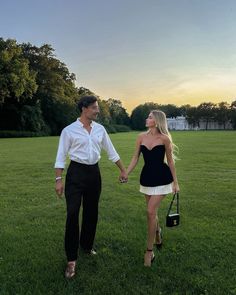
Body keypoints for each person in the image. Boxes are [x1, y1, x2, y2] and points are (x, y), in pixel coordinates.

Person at [54, 95, 128, 278]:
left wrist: (123, 170)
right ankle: (71, 260)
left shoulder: (100, 130)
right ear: (84, 108)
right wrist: (58, 179)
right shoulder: (69, 130)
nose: (97, 110)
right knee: (72, 213)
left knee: (91, 212)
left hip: (94, 174)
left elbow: (111, 151)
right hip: (75, 174)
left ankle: (86, 246)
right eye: (95, 107)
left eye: (97, 107)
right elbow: (61, 155)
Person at [126, 110, 180, 267]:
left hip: (163, 180)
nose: (146, 118)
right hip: (147, 179)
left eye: (149, 117)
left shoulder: (164, 139)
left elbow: (170, 162)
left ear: (156, 121)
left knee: (150, 212)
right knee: (152, 213)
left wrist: (176, 183)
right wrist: (126, 173)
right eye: (148, 116)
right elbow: (135, 157)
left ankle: (149, 252)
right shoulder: (141, 137)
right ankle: (157, 233)